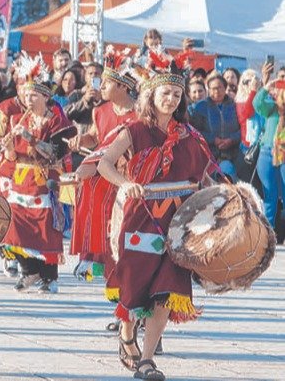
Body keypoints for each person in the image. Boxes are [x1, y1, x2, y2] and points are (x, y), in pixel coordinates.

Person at [97, 50, 214, 381]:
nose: (172, 98)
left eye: (177, 94)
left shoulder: (191, 135)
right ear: (151, 93)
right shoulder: (133, 130)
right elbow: (105, 164)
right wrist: (126, 183)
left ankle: (147, 360)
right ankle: (126, 330)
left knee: (166, 290)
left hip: (178, 223)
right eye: (166, 92)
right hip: (141, 218)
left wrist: (218, 198)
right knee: (136, 289)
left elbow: (202, 178)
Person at [0, 54, 76, 293]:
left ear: (46, 96)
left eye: (34, 93)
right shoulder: (10, 112)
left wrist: (30, 138)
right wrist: (6, 147)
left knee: (46, 227)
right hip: (17, 177)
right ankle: (28, 269)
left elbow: (56, 151)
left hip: (44, 178)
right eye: (26, 92)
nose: (28, 97)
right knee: (13, 223)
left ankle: (48, 276)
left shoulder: (55, 116)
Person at [68, 48, 138, 328]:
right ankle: (123, 312)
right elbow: (97, 139)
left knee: (131, 246)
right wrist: (80, 139)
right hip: (106, 186)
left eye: (106, 83)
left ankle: (135, 311)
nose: (100, 87)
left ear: (122, 86)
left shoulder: (141, 114)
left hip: (131, 185)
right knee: (112, 246)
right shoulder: (100, 111)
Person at [189, 72, 241, 181]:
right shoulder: (201, 107)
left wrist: (231, 139)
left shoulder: (234, 105)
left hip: (232, 154)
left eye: (219, 88)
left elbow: (243, 129)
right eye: (212, 88)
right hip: (208, 156)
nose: (216, 91)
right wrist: (214, 139)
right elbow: (195, 131)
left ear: (225, 88)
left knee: (228, 177)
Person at [253, 61, 285, 230]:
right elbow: (257, 104)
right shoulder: (271, 106)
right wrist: (267, 86)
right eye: (281, 78)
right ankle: (268, 234)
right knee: (269, 195)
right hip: (267, 153)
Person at [235, 69, 264, 183]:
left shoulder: (262, 100)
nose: (253, 84)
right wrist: (253, 91)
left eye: (256, 81)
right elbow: (248, 113)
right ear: (243, 84)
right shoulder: (239, 101)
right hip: (248, 149)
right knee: (250, 183)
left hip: (262, 146)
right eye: (249, 81)